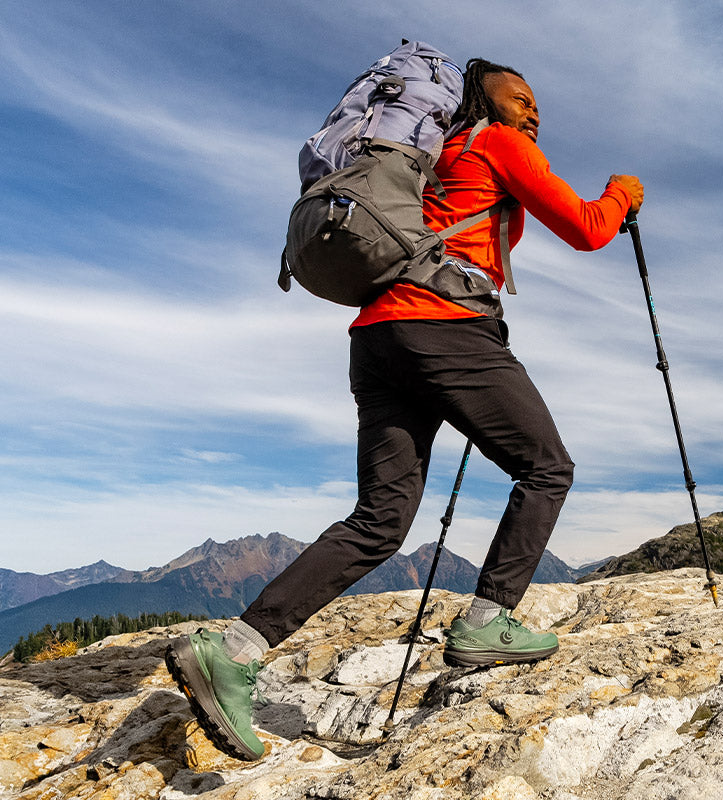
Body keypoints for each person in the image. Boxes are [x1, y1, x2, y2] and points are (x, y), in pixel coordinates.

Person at [165, 58, 643, 761]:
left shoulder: (430, 160)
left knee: (380, 519)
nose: (534, 112)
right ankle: (487, 621)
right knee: (546, 467)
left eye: (538, 104)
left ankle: (233, 650)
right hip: (443, 324)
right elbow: (586, 227)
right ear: (484, 100)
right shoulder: (495, 143)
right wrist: (623, 191)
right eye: (521, 98)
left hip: (378, 336)